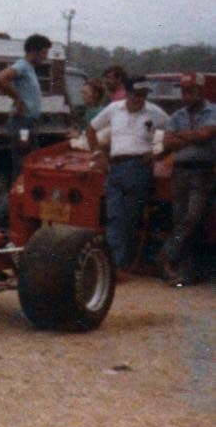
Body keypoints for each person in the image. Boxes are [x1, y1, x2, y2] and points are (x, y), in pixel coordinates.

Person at [87, 76, 169, 270]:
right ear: (127, 93)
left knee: (131, 216)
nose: (140, 98)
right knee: (113, 215)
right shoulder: (114, 109)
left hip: (139, 167)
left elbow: (174, 132)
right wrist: (98, 154)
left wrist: (160, 153)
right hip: (115, 166)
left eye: (143, 94)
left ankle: (121, 263)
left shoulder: (155, 112)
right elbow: (91, 128)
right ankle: (113, 264)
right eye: (136, 94)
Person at [158, 73, 215, 285]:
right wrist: (193, 136)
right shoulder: (177, 115)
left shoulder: (213, 111)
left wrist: (181, 136)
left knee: (193, 217)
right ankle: (185, 273)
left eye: (190, 91)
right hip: (180, 171)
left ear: (201, 90)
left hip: (203, 171)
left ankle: (166, 254)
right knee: (181, 219)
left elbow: (206, 135)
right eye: (183, 91)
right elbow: (167, 142)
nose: (186, 95)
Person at [0, 34, 52, 175]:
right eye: (44, 53)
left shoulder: (29, 68)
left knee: (31, 161)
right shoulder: (22, 66)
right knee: (23, 160)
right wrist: (18, 99)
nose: (45, 57)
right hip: (22, 124)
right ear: (33, 50)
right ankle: (19, 188)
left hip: (28, 123)